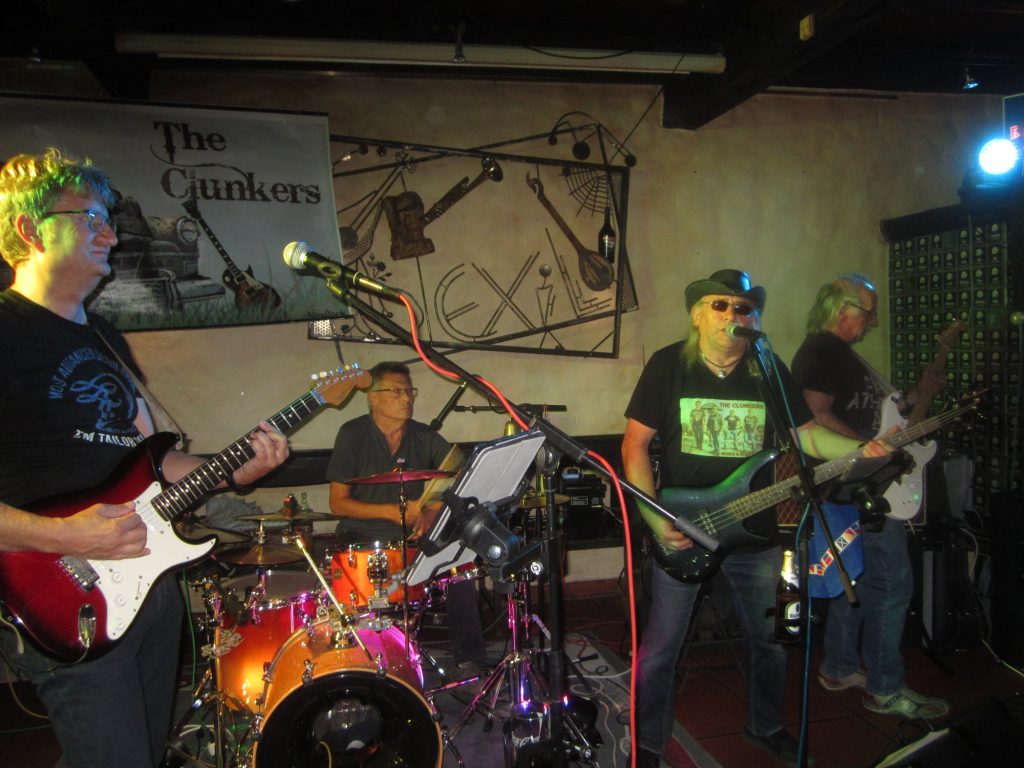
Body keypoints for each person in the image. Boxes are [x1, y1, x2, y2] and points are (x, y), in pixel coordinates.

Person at [0, 148, 290, 768]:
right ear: (29, 229)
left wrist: (238, 471)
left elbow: (149, 463)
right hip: (67, 589)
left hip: (149, 587)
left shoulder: (105, 337)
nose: (110, 235)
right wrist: (65, 535)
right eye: (89, 218)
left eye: (109, 220)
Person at [622, 269, 892, 768]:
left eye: (743, 307)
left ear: (754, 318)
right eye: (720, 305)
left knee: (770, 640)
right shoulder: (669, 365)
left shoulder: (767, 367)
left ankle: (765, 726)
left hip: (757, 529)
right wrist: (655, 519)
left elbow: (805, 435)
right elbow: (634, 445)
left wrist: (860, 450)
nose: (733, 314)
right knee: (660, 649)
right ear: (697, 315)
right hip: (686, 527)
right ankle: (649, 744)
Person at [791, 273, 949, 719]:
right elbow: (816, 416)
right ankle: (885, 687)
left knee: (857, 580)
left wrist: (918, 393)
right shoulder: (821, 352)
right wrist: (871, 454)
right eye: (868, 312)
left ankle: (840, 667)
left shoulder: (842, 356)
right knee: (891, 583)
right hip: (854, 485)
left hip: (854, 484)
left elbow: (882, 415)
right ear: (842, 309)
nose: (873, 321)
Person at [326, 361, 488, 670]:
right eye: (397, 391)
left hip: (414, 535)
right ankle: (366, 659)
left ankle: (470, 660)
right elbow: (338, 503)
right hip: (362, 536)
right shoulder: (352, 434)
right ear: (374, 398)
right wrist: (393, 513)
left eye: (409, 391)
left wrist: (431, 510)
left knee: (460, 561)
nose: (407, 399)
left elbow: (460, 472)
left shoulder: (423, 435)